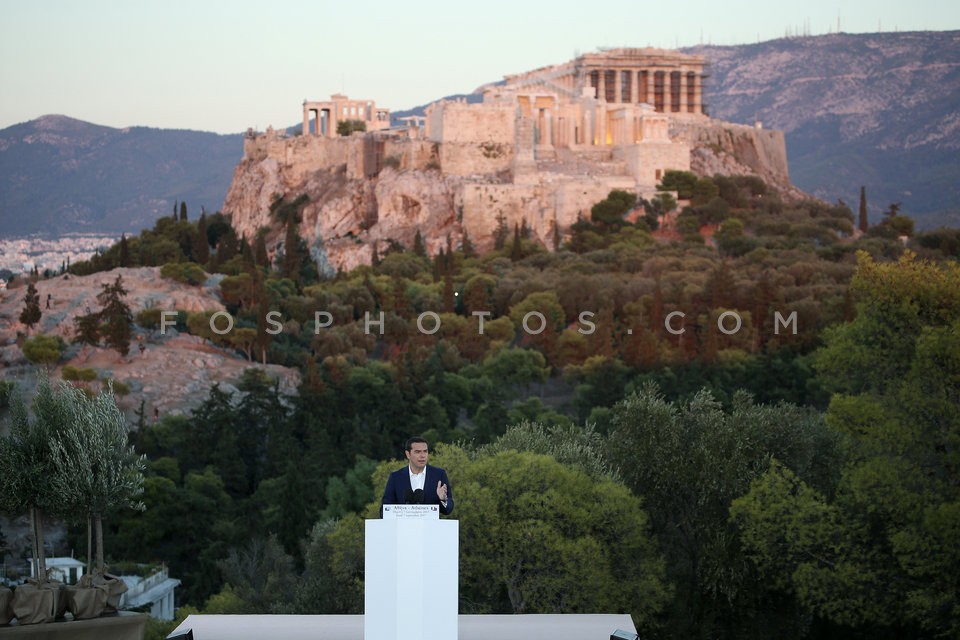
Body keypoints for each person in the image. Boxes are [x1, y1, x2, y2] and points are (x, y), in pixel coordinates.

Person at [381, 437, 454, 516]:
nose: (422, 456)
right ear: (408, 454)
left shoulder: (439, 475)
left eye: (425, 451)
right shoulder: (395, 477)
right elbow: (384, 510)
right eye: (417, 452)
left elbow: (448, 509)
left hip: (430, 527)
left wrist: (443, 499)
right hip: (403, 527)